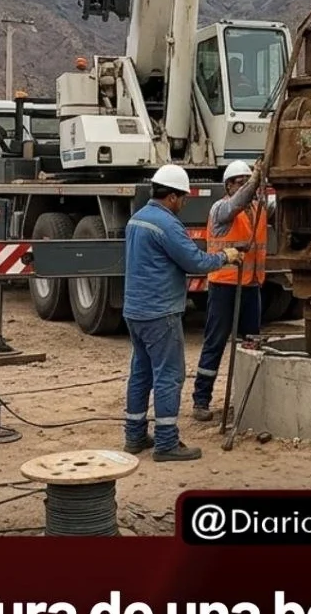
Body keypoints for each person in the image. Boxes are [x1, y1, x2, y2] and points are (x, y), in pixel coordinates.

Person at [122, 163, 243, 461]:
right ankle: (166, 443)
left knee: (141, 373)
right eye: (184, 197)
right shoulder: (167, 224)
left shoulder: (137, 219)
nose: (184, 203)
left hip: (135, 311)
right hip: (160, 312)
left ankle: (134, 436)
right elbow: (195, 262)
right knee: (169, 376)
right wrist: (225, 256)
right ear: (173, 196)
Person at [191, 160, 276, 422]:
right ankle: (201, 400)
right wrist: (254, 180)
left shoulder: (259, 209)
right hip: (225, 286)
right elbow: (237, 203)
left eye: (248, 182)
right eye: (240, 182)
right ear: (228, 186)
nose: (247, 187)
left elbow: (281, 203)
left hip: (251, 285)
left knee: (251, 342)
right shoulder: (221, 209)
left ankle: (248, 398)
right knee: (215, 342)